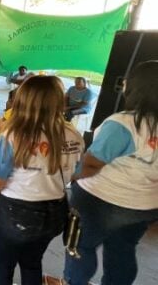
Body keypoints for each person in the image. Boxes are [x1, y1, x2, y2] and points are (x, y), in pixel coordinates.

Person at [64, 60, 158, 285]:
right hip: (143, 205)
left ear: (136, 87)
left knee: (79, 246)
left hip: (99, 201)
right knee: (122, 252)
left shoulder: (124, 123)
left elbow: (91, 164)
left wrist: (70, 179)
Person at [0, 76, 83, 285]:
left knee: (2, 267)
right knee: (32, 263)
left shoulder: (13, 134)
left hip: (16, 212)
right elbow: (75, 173)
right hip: (55, 212)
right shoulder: (74, 135)